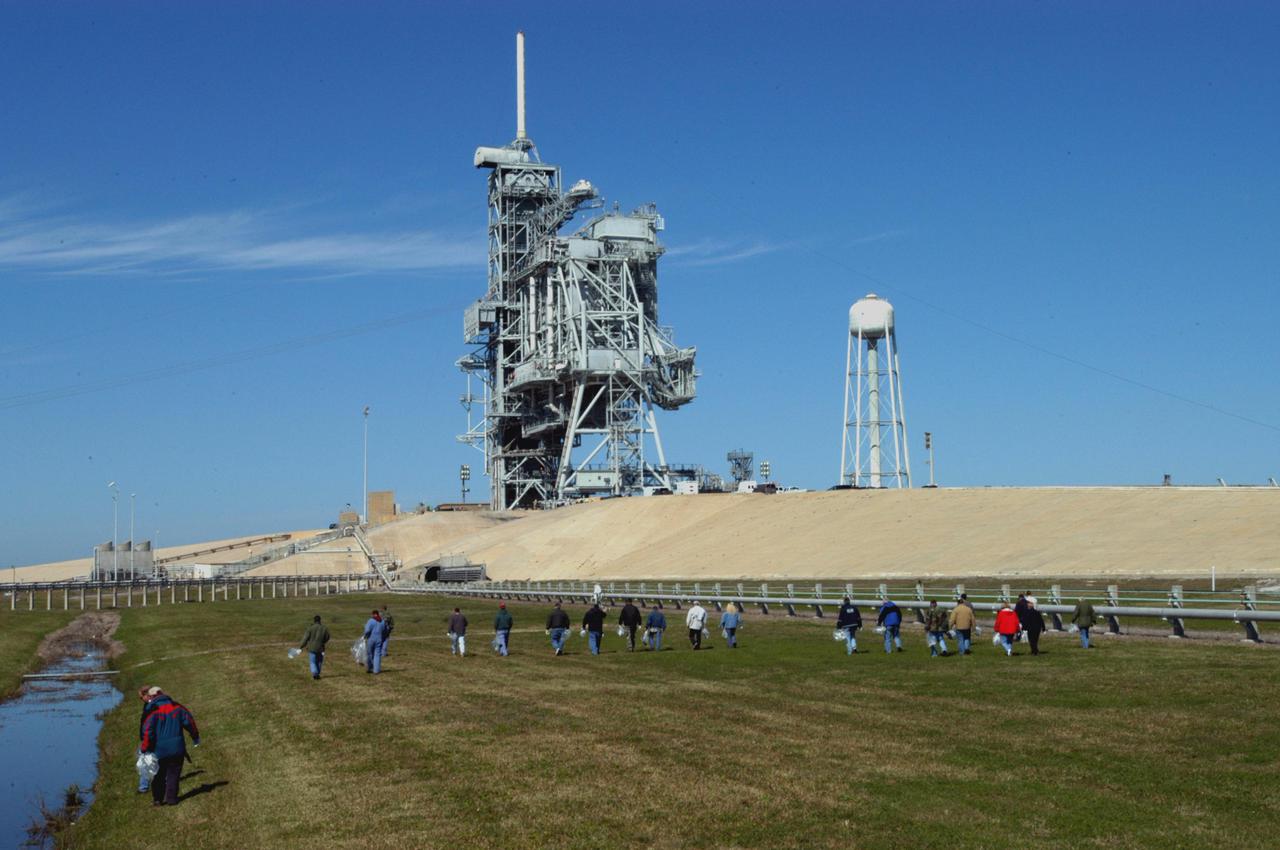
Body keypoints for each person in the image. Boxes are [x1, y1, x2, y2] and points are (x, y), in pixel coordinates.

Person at [139, 689, 200, 807]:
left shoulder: (152, 711)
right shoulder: (177, 707)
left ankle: (157, 799)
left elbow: (147, 732)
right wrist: (195, 736)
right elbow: (189, 722)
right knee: (174, 774)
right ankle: (172, 799)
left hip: (159, 750)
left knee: (158, 775)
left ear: (152, 696)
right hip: (177, 748)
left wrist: (144, 748)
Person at [136, 685, 160, 793]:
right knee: (146, 761)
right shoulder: (147, 705)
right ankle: (145, 785)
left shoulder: (152, 706)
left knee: (144, 762)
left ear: (147, 695)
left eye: (141, 697)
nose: (141, 700)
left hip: (151, 738)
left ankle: (144, 787)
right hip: (148, 737)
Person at [299, 615, 331, 680]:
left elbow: (305, 638)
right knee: (319, 661)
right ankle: (317, 673)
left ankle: (315, 673)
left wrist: (301, 646)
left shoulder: (310, 628)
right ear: (320, 620)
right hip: (321, 648)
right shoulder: (324, 628)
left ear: (314, 620)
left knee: (312, 661)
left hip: (312, 648)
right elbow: (327, 637)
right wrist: (323, 642)